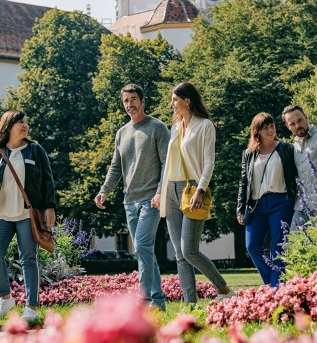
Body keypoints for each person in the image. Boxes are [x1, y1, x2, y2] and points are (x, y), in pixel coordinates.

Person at [0, 110, 56, 320]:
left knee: (29, 258)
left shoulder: (36, 150)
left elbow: (48, 181)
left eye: (26, 122)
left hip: (27, 215)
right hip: (0, 214)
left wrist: (49, 207)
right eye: (20, 122)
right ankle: (5, 297)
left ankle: (32, 307)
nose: (25, 125)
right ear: (9, 125)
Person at [157, 82, 235, 303]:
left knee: (189, 250)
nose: (171, 104)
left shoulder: (205, 126)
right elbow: (168, 163)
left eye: (174, 99)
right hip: (171, 189)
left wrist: (200, 189)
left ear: (187, 100)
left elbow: (209, 162)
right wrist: (160, 192)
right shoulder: (175, 127)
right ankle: (190, 304)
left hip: (192, 188)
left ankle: (223, 289)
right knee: (180, 256)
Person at [95, 84, 169, 310]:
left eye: (134, 99)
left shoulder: (157, 128)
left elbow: (167, 163)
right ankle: (158, 300)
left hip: (151, 199)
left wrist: (159, 192)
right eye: (126, 101)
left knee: (142, 247)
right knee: (144, 250)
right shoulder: (121, 133)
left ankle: (144, 299)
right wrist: (104, 189)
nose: (130, 105)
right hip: (129, 201)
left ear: (143, 101)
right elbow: (116, 167)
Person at [237, 112, 297, 287]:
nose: (271, 130)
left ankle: (276, 290)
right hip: (256, 205)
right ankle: (273, 283)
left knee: (278, 247)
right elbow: (244, 181)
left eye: (272, 126)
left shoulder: (286, 148)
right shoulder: (248, 154)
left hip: (281, 202)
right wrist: (240, 208)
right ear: (257, 131)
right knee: (252, 246)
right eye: (266, 127)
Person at [282, 104, 317, 229]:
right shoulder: (294, 148)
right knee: (292, 245)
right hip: (302, 206)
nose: (298, 126)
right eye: (292, 124)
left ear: (306, 117)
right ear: (288, 126)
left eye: (300, 120)